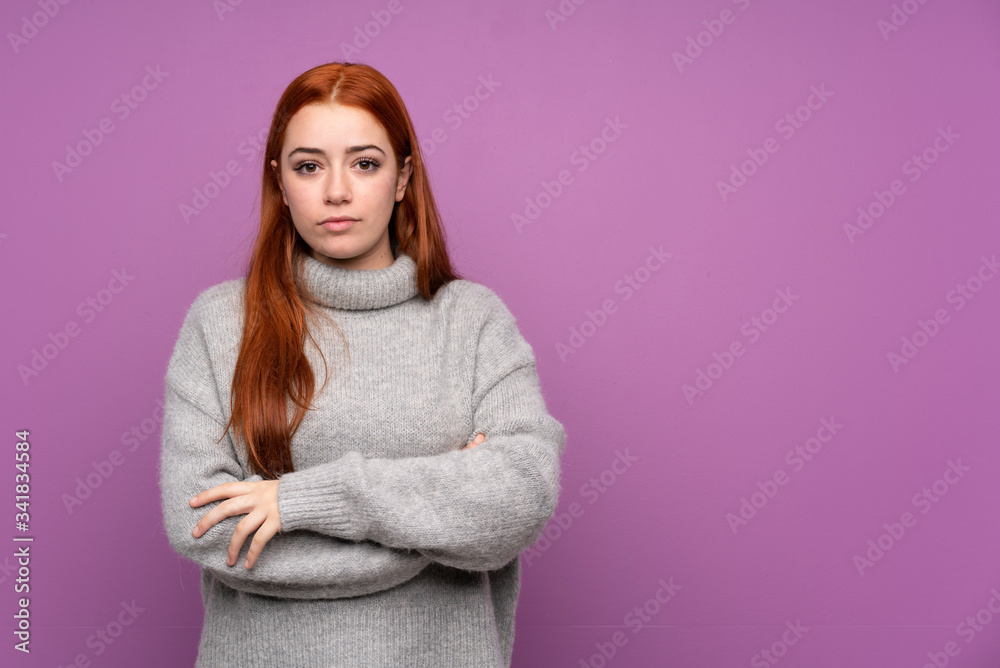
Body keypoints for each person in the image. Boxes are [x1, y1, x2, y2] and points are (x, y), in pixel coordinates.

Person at [157, 61, 567, 667]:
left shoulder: (473, 320)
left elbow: (524, 493)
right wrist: (436, 525)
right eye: (308, 166)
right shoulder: (221, 324)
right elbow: (209, 528)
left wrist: (301, 501)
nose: (337, 191)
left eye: (365, 163)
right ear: (280, 181)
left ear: (403, 177)